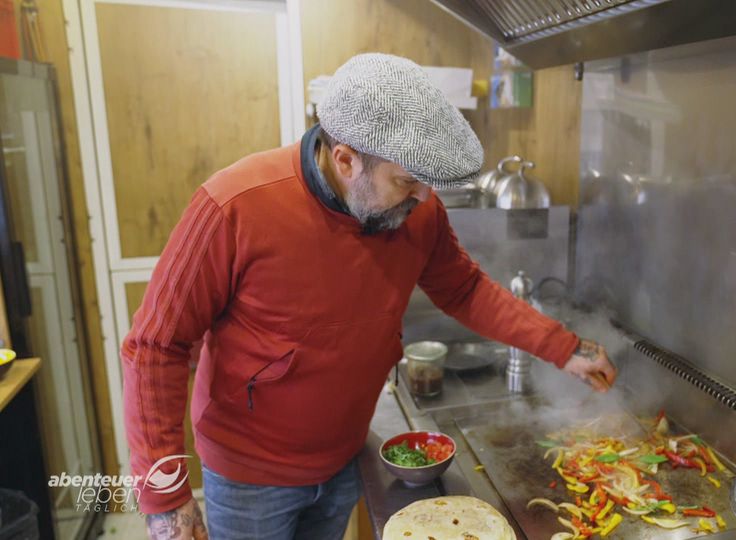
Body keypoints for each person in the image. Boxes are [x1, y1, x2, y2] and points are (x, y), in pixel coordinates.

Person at [122, 53, 617, 540]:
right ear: (345, 159)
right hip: (250, 476)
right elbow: (154, 346)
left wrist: (562, 347)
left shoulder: (416, 209)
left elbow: (463, 289)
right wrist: (165, 498)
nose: (425, 197)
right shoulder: (233, 206)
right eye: (407, 180)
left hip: (345, 460)